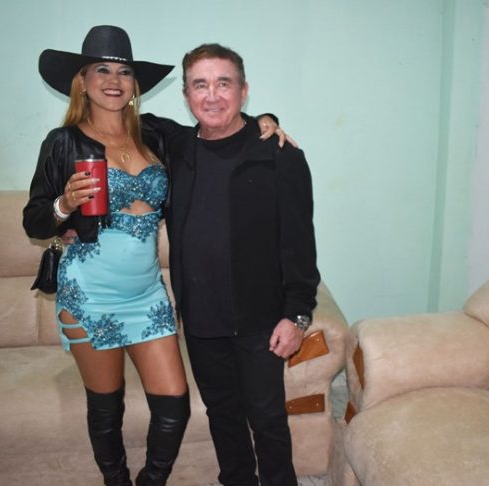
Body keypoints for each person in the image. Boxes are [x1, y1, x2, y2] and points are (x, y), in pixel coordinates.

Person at [22, 26, 287, 486]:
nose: (114, 80)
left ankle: (151, 480)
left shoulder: (157, 134)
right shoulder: (63, 142)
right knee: (106, 406)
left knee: (174, 405)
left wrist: (265, 118)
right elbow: (34, 220)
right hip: (90, 292)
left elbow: (218, 129)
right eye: (102, 70)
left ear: (135, 84)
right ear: (83, 81)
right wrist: (64, 204)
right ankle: (116, 481)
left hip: (147, 293)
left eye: (124, 72)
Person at [167, 43, 320, 486]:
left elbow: (300, 243)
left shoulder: (279, 155)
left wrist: (297, 314)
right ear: (186, 95)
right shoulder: (176, 149)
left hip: (260, 318)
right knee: (222, 415)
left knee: (267, 419)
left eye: (224, 83)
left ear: (244, 90)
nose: (212, 95)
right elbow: (114, 119)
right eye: (200, 85)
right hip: (200, 318)